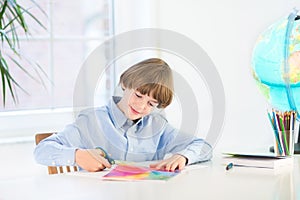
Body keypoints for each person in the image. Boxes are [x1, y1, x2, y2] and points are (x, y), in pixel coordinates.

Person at [34, 58, 212, 172]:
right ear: (125, 84)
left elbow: (204, 147)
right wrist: (77, 155)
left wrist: (183, 156)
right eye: (138, 95)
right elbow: (41, 150)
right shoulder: (91, 121)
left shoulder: (157, 126)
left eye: (151, 103)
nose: (141, 106)